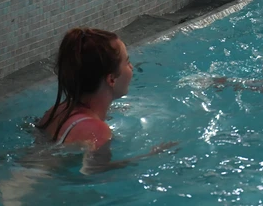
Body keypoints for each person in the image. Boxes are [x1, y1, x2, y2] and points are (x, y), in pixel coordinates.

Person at [34, 28, 173, 172]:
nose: (131, 68)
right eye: (127, 62)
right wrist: (150, 157)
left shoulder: (57, 111)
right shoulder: (98, 130)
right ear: (111, 79)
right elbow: (94, 172)